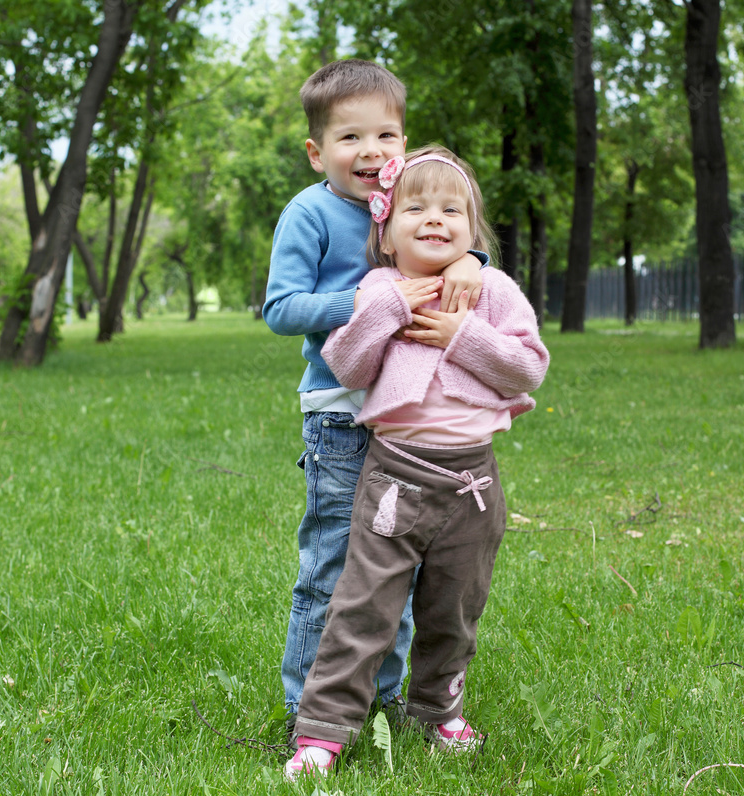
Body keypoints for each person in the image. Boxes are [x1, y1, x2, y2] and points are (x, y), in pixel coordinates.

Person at [283, 146, 550, 779]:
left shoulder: (491, 290)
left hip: (472, 482)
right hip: (395, 478)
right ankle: (322, 731)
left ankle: (437, 712)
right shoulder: (379, 288)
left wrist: (464, 335)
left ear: (471, 228)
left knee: (454, 607)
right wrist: (390, 308)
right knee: (363, 605)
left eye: (451, 210)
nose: (434, 218)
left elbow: (528, 367)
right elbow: (348, 366)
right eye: (416, 208)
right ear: (386, 232)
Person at [263, 60, 487, 736]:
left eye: (386, 136)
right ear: (317, 151)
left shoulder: (411, 202)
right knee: (337, 568)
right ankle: (309, 707)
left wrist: (470, 263)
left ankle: (379, 698)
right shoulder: (310, 213)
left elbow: (453, 240)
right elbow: (282, 308)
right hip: (342, 416)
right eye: (350, 138)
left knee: (398, 566)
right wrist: (367, 302)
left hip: (412, 421)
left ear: (404, 142)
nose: (371, 152)